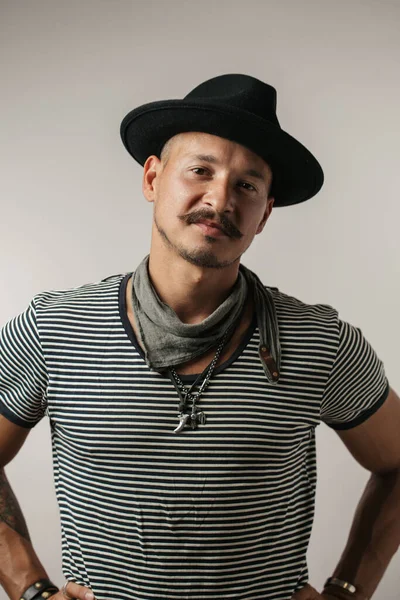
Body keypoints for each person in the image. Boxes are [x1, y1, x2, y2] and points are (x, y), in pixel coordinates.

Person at [0, 73, 399, 600]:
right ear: (152, 179)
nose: (220, 199)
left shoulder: (319, 342)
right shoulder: (57, 328)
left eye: (247, 185)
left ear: (264, 215)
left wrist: (349, 589)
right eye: (200, 171)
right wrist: (29, 587)